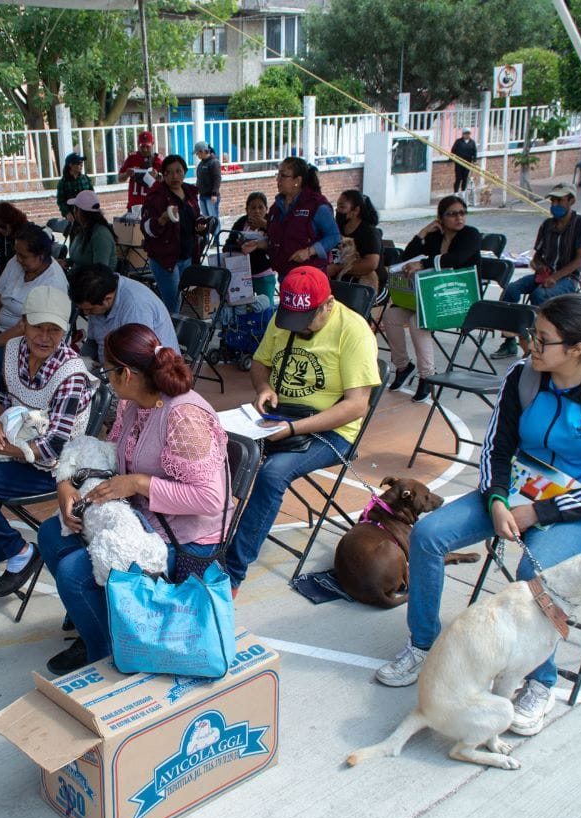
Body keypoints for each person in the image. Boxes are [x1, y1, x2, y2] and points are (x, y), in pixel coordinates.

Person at [376, 294, 581, 737]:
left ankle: (541, 681)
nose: (530, 346)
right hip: (516, 491)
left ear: (578, 348)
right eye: (532, 336)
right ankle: (424, 643)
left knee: (535, 572)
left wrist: (537, 512)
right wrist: (499, 500)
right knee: (428, 535)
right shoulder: (523, 376)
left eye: (542, 340)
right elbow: (496, 449)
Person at [39, 322, 231, 674]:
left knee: (74, 574)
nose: (105, 378)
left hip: (185, 538)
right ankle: (101, 623)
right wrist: (66, 480)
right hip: (141, 519)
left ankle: (108, 653)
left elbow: (210, 498)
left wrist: (140, 483)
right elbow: (112, 454)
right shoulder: (136, 403)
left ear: (126, 373)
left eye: (107, 370)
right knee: (51, 534)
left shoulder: (183, 416)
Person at [221, 267, 380, 589]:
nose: (301, 327)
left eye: (307, 318)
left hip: (330, 430)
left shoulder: (353, 330)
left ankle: (231, 572)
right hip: (281, 417)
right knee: (215, 445)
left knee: (272, 474)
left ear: (328, 304)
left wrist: (295, 430)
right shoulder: (285, 320)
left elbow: (356, 406)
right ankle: (202, 544)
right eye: (293, 318)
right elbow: (261, 362)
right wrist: (263, 388)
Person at [0, 286, 97, 598]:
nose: (45, 338)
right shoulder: (13, 349)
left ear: (65, 331)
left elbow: (54, 449)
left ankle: (19, 552)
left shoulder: (71, 376)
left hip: (51, 467)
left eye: (55, 330)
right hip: (13, 448)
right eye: (38, 327)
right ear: (23, 322)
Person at [382, 195, 481, 401]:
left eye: (462, 213)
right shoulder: (435, 237)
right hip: (430, 299)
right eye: (452, 214)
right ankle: (402, 366)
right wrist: (422, 234)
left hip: (458, 301)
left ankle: (427, 376)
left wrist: (425, 264)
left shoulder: (470, 235)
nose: (459, 218)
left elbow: (458, 259)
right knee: (390, 316)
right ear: (441, 218)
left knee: (417, 321)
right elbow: (408, 257)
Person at [492, 183, 581, 359]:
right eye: (553, 200)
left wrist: (555, 277)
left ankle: (535, 342)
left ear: (571, 201)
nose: (555, 204)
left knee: (540, 296)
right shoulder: (548, 224)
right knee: (511, 289)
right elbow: (536, 256)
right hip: (544, 274)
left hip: (568, 278)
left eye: (559, 201)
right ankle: (509, 341)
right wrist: (539, 266)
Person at [0, 223, 69, 370]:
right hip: (1, 330)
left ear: (40, 256)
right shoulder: (16, 262)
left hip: (29, 340)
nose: (17, 259)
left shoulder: (54, 283)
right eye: (16, 253)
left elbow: (23, 327)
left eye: (23, 256)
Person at [241, 156, 339, 282]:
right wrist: (257, 244)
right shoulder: (276, 207)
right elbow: (277, 238)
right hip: (284, 274)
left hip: (310, 276)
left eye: (283, 175)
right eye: (278, 174)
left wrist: (309, 251)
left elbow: (334, 236)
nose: (278, 179)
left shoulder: (316, 205)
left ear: (297, 180)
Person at [141, 155, 207, 314]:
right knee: (173, 305)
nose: (175, 176)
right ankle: (170, 336)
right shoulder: (156, 197)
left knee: (182, 300)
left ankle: (177, 332)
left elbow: (195, 216)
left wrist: (201, 224)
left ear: (185, 172)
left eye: (178, 171)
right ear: (163, 175)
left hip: (187, 255)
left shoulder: (189, 192)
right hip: (165, 259)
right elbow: (146, 228)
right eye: (169, 172)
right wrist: (162, 220)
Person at [69, 263, 177, 358]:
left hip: (147, 370)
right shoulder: (97, 294)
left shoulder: (136, 307)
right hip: (113, 369)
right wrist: (79, 365)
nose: (86, 314)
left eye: (90, 310)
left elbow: (139, 358)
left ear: (108, 299)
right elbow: (92, 342)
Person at [326, 189, 382, 286]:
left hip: (368, 287)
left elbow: (371, 264)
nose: (337, 210)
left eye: (342, 207)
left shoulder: (370, 233)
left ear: (356, 210)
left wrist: (337, 268)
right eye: (337, 206)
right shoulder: (337, 229)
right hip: (344, 284)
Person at [66, 190, 117, 272]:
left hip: (94, 282)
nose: (74, 212)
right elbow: (80, 258)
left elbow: (100, 271)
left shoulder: (101, 235)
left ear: (81, 212)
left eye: (75, 208)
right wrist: (67, 262)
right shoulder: (84, 230)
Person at [225, 191, 273, 276]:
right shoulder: (241, 222)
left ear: (266, 209)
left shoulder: (272, 223)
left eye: (260, 207)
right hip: (242, 272)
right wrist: (239, 245)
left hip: (265, 272)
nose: (257, 211)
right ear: (247, 210)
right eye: (253, 208)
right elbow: (226, 248)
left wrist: (266, 226)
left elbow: (278, 245)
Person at [118, 131, 163, 211]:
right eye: (142, 146)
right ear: (138, 144)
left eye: (147, 146)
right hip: (134, 204)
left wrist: (157, 176)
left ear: (153, 144)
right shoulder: (132, 158)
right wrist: (126, 174)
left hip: (153, 205)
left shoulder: (158, 160)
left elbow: (166, 180)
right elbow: (120, 178)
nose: (145, 149)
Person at [0, 202, 29, 281]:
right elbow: (2, 258)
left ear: (10, 221)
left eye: (2, 226)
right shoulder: (3, 236)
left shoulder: (26, 232)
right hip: (11, 275)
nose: (0, 230)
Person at [56, 153, 94, 218]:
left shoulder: (85, 179)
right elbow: (61, 201)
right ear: (71, 165)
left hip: (87, 213)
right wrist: (67, 213)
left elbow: (92, 195)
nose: (81, 165)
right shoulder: (63, 183)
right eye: (78, 163)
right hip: (73, 215)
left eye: (82, 163)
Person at [194, 141, 221, 224]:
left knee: (213, 219)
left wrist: (214, 194)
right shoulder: (201, 164)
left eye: (197, 153)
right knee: (206, 219)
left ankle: (216, 236)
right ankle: (207, 236)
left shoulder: (214, 162)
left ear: (202, 151)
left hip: (210, 196)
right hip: (202, 195)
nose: (197, 155)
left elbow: (217, 178)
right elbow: (199, 179)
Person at [451, 128, 478, 194]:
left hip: (467, 162)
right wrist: (452, 158)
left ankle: (463, 193)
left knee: (465, 178)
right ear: (463, 134)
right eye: (465, 133)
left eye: (468, 133)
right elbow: (453, 150)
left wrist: (474, 160)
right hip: (459, 163)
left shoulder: (472, 142)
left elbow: (474, 152)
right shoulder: (458, 141)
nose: (467, 135)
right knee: (458, 178)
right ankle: (456, 193)